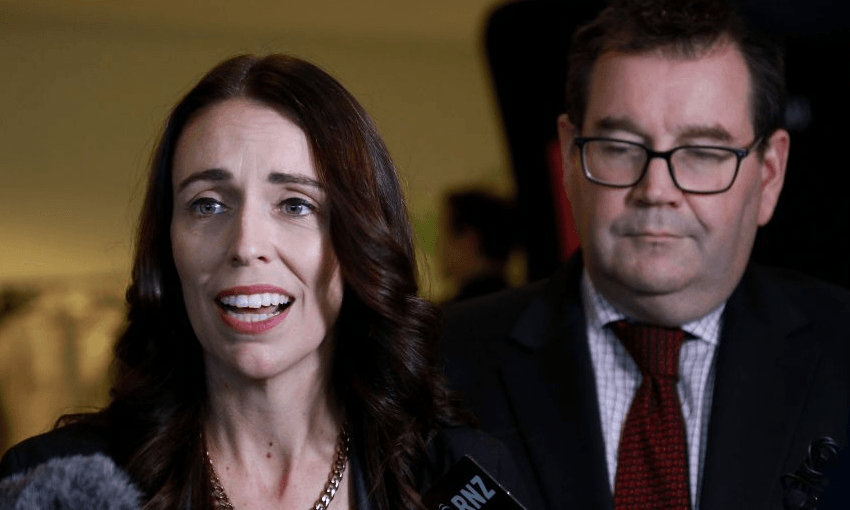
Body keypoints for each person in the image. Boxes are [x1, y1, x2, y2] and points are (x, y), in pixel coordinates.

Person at [0, 54, 525, 510]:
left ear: (358, 242)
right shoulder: (52, 484)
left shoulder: (460, 474)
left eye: (296, 204)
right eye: (207, 204)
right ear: (168, 245)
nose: (246, 244)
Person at [440, 1, 850, 509]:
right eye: (619, 146)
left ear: (769, 175)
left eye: (704, 152)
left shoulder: (841, 355)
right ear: (570, 158)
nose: (656, 190)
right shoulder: (431, 366)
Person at [439, 190, 517, 304]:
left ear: (470, 240)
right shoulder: (522, 300)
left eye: (445, 232)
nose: (440, 246)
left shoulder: (450, 314)